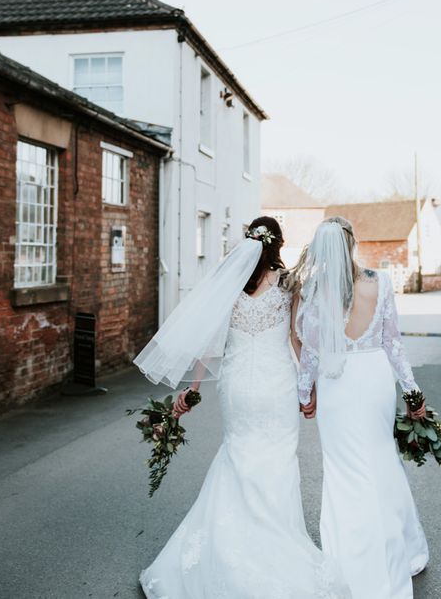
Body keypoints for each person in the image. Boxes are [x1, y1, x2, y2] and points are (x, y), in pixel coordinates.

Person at [135, 216, 349, 599]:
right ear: (277, 246)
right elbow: (296, 339)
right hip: (276, 385)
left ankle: (225, 549)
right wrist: (308, 388)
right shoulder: (288, 284)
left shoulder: (230, 284)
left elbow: (210, 344)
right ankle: (274, 543)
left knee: (236, 457)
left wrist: (193, 389)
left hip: (236, 388)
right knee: (278, 463)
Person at [289, 216, 429, 599]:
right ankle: (401, 546)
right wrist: (412, 392)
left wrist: (305, 396)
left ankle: (352, 558)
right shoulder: (379, 281)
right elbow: (393, 342)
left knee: (344, 470)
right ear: (351, 243)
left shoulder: (315, 289)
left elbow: (311, 351)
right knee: (382, 461)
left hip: (338, 385)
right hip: (375, 379)